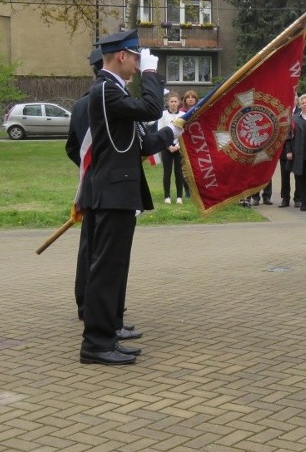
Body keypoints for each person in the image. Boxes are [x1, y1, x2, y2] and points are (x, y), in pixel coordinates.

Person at [79, 30, 183, 365]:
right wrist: (154, 75)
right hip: (111, 194)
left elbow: (140, 145)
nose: (139, 66)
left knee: (113, 268)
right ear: (122, 56)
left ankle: (106, 336)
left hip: (117, 193)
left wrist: (173, 130)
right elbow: (152, 107)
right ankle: (95, 345)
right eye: (137, 59)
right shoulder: (107, 90)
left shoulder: (114, 91)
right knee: (106, 271)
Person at [65, 47, 102, 322]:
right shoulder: (106, 100)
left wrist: (86, 168)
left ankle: (84, 304)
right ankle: (101, 310)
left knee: (88, 247)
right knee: (104, 252)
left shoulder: (79, 104)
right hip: (108, 187)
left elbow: (71, 147)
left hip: (89, 183)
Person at [157, 92, 185, 204]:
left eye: (175, 101)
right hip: (166, 147)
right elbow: (160, 131)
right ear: (168, 103)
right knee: (167, 172)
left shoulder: (183, 114)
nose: (173, 103)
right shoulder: (162, 115)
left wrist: (178, 145)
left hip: (179, 147)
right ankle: (167, 196)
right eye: (171, 101)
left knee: (179, 172)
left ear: (179, 103)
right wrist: (168, 146)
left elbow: (184, 132)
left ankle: (179, 197)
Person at [278, 91, 300, 207]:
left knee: (298, 175)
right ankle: (285, 198)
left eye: (294, 98)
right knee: (284, 175)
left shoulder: (301, 113)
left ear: (297, 100)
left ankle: (298, 198)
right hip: (284, 151)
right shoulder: (283, 112)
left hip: (297, 149)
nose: (292, 100)